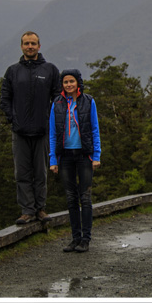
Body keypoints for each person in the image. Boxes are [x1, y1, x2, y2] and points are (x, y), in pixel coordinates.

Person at [0, 31, 60, 226]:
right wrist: (13, 119)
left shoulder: (50, 70)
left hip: (43, 131)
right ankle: (27, 211)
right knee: (22, 173)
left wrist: (51, 121)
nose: (30, 46)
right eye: (26, 43)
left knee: (41, 172)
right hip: (20, 132)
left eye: (33, 43)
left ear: (39, 46)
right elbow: (5, 98)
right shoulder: (13, 71)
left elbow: (58, 98)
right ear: (21, 47)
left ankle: (40, 209)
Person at [49, 69, 101, 253]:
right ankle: (75, 238)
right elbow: (53, 134)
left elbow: (95, 129)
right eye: (65, 82)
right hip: (65, 156)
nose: (69, 84)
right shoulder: (57, 103)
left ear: (78, 82)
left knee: (85, 197)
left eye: (72, 81)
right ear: (62, 84)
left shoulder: (88, 101)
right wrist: (53, 159)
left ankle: (86, 239)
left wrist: (96, 156)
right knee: (71, 198)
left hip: (84, 155)